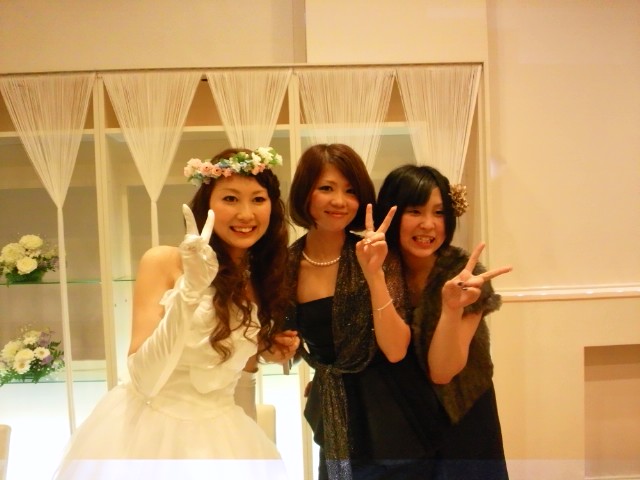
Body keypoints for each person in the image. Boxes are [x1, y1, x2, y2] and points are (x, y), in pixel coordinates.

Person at [53, 147, 299, 480]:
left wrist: (266, 349)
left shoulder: (261, 278)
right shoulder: (163, 261)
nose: (245, 214)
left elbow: (231, 372)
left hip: (224, 435)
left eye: (258, 199)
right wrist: (190, 293)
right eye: (230, 199)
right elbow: (144, 378)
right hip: (148, 435)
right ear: (206, 204)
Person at [286, 143, 438, 480]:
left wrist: (373, 274)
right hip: (334, 412)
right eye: (327, 188)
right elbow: (285, 346)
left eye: (350, 191)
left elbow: (396, 349)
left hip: (393, 411)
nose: (340, 201)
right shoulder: (287, 266)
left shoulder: (375, 253)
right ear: (305, 193)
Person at [374, 164, 512, 479]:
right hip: (399, 422)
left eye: (439, 213)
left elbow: (443, 371)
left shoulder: (466, 276)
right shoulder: (377, 268)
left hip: (462, 418)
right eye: (415, 211)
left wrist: (451, 309)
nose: (428, 224)